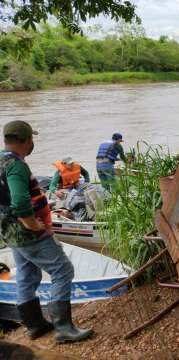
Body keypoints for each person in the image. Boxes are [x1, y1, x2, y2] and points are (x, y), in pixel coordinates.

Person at [0, 121, 92, 343]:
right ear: (26, 141)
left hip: (9, 232)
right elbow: (21, 201)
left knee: (26, 273)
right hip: (27, 233)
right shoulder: (16, 165)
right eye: (31, 139)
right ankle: (63, 328)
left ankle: (34, 324)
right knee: (63, 270)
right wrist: (32, 224)